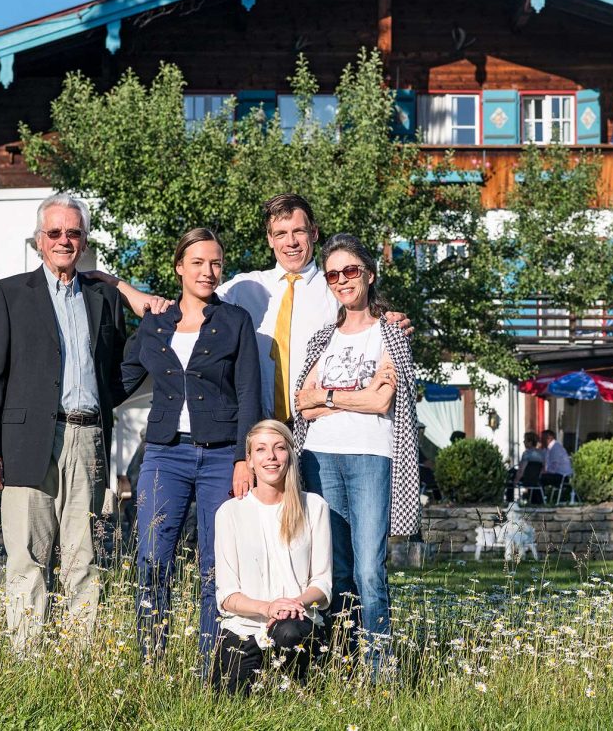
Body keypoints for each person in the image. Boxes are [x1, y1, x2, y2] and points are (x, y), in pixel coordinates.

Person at [0, 193, 135, 650]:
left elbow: (117, 370)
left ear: (84, 241)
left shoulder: (103, 297)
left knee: (84, 557)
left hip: (88, 439)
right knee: (27, 555)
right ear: (39, 241)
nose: (64, 240)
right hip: (25, 441)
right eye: (55, 233)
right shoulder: (8, 293)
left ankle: (78, 664)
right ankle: (27, 662)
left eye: (73, 233)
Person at [107, 193, 409, 421]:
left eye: (298, 232)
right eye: (280, 234)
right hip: (261, 431)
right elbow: (185, 308)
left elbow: (367, 318)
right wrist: (117, 285)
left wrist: (389, 317)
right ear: (269, 239)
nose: (290, 242)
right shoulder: (246, 288)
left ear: (314, 233)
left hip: (320, 423)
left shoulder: (335, 286)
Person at [120, 228, 262, 663]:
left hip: (221, 455)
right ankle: (153, 662)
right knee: (152, 557)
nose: (208, 271)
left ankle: (210, 665)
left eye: (216, 262)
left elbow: (249, 394)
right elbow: (120, 379)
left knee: (215, 565)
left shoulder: (235, 321)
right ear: (179, 267)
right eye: (198, 262)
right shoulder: (155, 322)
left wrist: (243, 459)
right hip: (164, 453)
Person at [293, 233, 419, 675]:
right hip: (320, 457)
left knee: (369, 569)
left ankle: (379, 668)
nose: (342, 280)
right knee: (337, 570)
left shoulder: (390, 332)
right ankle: (341, 663)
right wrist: (350, 395)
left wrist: (326, 396)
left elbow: (382, 403)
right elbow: (299, 403)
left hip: (370, 457)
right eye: (332, 274)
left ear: (368, 273)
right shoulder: (322, 338)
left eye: (350, 271)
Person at [212, 420, 332, 694]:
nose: (271, 457)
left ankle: (297, 685)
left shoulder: (314, 507)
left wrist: (291, 605)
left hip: (296, 622)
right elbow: (228, 595)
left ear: (290, 454)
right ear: (250, 460)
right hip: (245, 624)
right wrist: (268, 608)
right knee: (227, 699)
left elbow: (322, 583)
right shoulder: (230, 513)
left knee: (289, 633)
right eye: (261, 449)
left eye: (279, 448)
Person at [511, 431, 546, 501]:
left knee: (510, 478)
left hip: (527, 479)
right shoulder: (542, 453)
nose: (523, 442)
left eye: (525, 440)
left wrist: (515, 481)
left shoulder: (526, 453)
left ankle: (509, 501)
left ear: (530, 442)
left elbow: (521, 470)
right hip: (536, 479)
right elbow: (544, 468)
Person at [540, 428, 574, 499]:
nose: (541, 440)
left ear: (549, 438)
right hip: (558, 474)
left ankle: (539, 499)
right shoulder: (549, 448)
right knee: (539, 477)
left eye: (542, 438)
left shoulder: (556, 448)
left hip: (562, 476)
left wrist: (544, 472)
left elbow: (554, 466)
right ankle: (539, 498)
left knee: (540, 478)